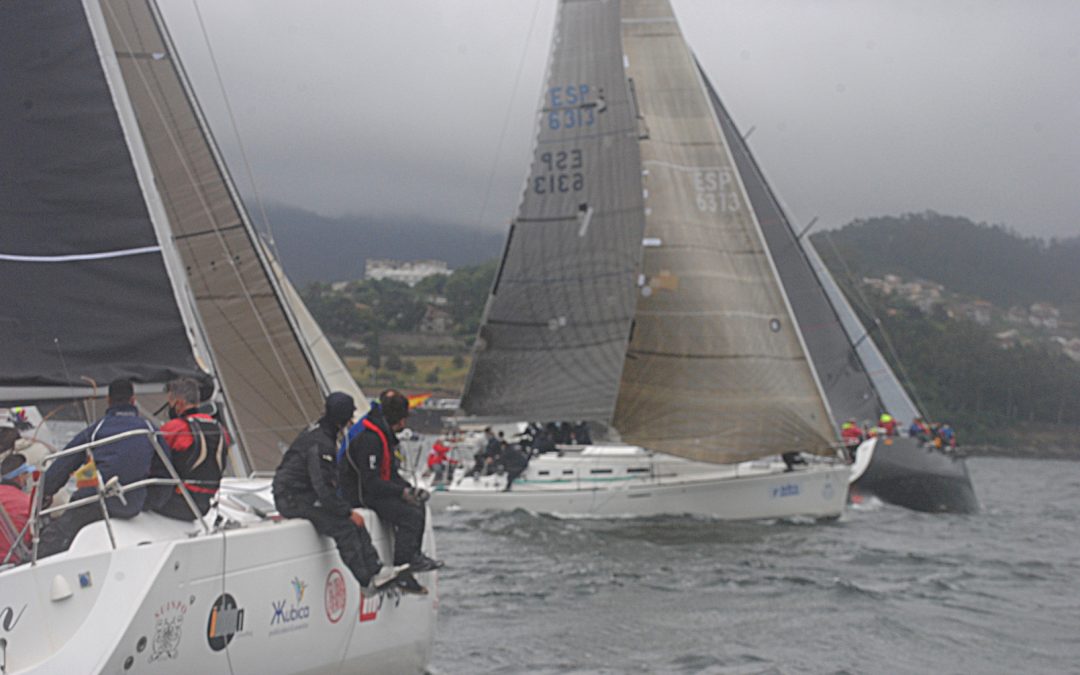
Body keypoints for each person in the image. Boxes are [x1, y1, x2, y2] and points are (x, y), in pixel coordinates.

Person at [273, 393, 404, 595]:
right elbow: (323, 488)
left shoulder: (320, 431)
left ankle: (377, 571)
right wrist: (345, 512)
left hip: (301, 494)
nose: (352, 421)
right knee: (345, 526)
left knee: (354, 520)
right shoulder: (322, 443)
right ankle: (366, 582)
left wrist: (346, 510)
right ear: (344, 418)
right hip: (292, 498)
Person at [38, 379, 156, 557]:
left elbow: (63, 465)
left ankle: (27, 563)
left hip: (97, 503)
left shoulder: (97, 430)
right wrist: (153, 503)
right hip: (133, 505)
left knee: (56, 535)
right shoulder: (150, 430)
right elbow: (163, 471)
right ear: (133, 401)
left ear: (108, 401)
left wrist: (45, 492)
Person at [340, 389, 442, 595]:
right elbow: (371, 482)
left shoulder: (382, 432)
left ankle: (412, 559)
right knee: (408, 515)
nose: (405, 425)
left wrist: (409, 489)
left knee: (418, 504)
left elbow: (390, 475)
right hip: (360, 494)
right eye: (404, 419)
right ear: (398, 419)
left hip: (373, 488)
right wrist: (401, 493)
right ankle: (403, 566)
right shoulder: (370, 438)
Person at [145, 377, 228, 520]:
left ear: (180, 404)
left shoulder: (174, 428)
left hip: (176, 503)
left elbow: (149, 458)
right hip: (204, 505)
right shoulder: (219, 429)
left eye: (170, 403)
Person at [0, 453, 33, 563]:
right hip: (15, 561)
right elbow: (31, 536)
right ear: (20, 477)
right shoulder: (27, 502)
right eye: (27, 474)